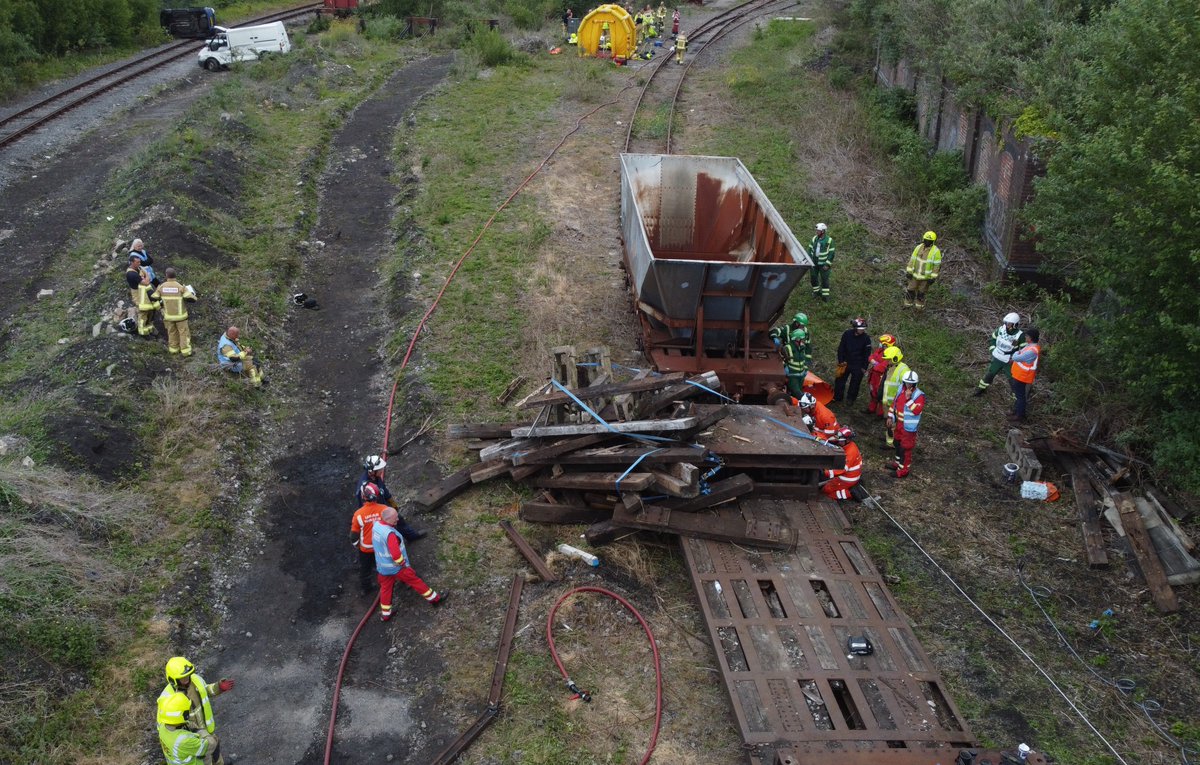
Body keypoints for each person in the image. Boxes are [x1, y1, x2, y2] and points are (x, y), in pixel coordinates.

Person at [374, 507, 445, 621]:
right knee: (415, 581)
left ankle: (386, 614)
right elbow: (396, 555)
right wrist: (404, 565)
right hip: (397, 568)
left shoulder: (377, 526)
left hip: (383, 567)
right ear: (387, 520)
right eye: (395, 518)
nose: (397, 519)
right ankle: (435, 599)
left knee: (385, 589)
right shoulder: (390, 534)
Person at [158, 656, 233, 738]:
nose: (186, 679)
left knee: (213, 747)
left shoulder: (195, 680)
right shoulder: (167, 697)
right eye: (182, 678)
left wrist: (218, 687)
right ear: (173, 680)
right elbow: (162, 724)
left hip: (205, 730)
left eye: (187, 676)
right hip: (189, 737)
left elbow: (205, 691)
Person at [356, 455, 426, 541]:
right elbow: (365, 508)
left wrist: (391, 501)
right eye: (380, 469)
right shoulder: (364, 489)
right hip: (376, 513)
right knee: (387, 530)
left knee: (398, 519)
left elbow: (383, 489)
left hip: (383, 506)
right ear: (372, 471)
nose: (382, 471)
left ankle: (411, 536)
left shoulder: (376, 477)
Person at [158, 692, 223, 765]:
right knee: (214, 739)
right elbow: (211, 744)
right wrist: (200, 731)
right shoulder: (184, 741)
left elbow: (188, 724)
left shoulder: (162, 727)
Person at [350, 482, 390, 594]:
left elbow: (354, 536)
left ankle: (366, 589)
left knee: (365, 569)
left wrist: (358, 545)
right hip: (382, 546)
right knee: (389, 563)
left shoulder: (358, 514)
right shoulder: (384, 509)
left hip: (366, 549)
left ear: (363, 497)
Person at [974, 312, 1026, 397]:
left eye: (1009, 323)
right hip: (997, 357)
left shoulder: (1020, 335)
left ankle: (1016, 397)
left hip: (1009, 360)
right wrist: (992, 349)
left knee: (1012, 379)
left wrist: (1014, 359)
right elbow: (993, 339)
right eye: (1006, 323)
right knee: (989, 374)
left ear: (1015, 325)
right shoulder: (1001, 329)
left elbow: (1023, 350)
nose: (1006, 325)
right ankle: (980, 390)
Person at [152, 268, 197, 356]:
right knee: (184, 333)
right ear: (175, 275)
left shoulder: (161, 287)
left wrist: (160, 305)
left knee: (171, 332)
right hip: (181, 317)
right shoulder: (180, 287)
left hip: (168, 316)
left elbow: (153, 297)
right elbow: (192, 299)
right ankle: (186, 352)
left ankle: (174, 350)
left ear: (166, 275)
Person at [889, 370, 925, 477]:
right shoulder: (901, 388)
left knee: (905, 448)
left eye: (911, 383)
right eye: (906, 383)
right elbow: (894, 403)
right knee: (897, 443)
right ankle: (897, 463)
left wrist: (908, 399)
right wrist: (891, 416)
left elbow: (916, 410)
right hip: (899, 424)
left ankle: (903, 470)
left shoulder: (919, 395)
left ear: (915, 384)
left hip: (909, 427)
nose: (908, 385)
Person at [833, 317, 872, 404]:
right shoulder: (847, 334)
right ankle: (837, 397)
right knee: (840, 380)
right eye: (860, 329)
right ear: (855, 328)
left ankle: (850, 399)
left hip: (858, 364)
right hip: (845, 362)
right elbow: (841, 348)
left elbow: (867, 354)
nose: (862, 330)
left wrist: (864, 367)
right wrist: (841, 360)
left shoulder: (866, 339)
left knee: (855, 383)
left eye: (863, 329)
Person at [1008, 327, 1040, 422]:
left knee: (1021, 396)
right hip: (1019, 375)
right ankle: (1016, 411)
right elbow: (1019, 353)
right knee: (1019, 395)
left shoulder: (1032, 350)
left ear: (1031, 338)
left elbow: (1017, 356)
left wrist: (1015, 355)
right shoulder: (1030, 346)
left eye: (1027, 336)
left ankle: (1019, 415)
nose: (1025, 337)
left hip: (1023, 376)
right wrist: (1018, 353)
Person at [821, 426, 862, 501]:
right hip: (851, 474)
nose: (839, 442)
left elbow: (842, 469)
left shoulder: (850, 452)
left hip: (848, 478)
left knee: (826, 491)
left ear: (847, 440)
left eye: (841, 441)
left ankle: (849, 493)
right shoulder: (848, 445)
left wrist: (826, 472)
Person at [904, 231, 942, 309]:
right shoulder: (918, 247)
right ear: (923, 239)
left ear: (933, 242)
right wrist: (909, 271)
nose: (927, 242)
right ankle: (907, 305)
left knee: (921, 294)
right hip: (914, 275)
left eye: (929, 241)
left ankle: (919, 309)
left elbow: (936, 266)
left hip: (925, 278)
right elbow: (912, 259)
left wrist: (933, 277)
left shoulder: (936, 251)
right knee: (910, 290)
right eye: (926, 240)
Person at [881, 346, 910, 443]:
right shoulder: (891, 367)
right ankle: (888, 438)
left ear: (895, 358)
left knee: (893, 424)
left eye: (888, 359)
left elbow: (907, 389)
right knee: (888, 423)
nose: (887, 361)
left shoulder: (904, 370)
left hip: (895, 404)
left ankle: (891, 443)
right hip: (888, 402)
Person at [126, 256, 161, 336]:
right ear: (132, 262)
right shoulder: (131, 274)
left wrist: (146, 277)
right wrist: (147, 277)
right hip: (139, 296)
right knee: (143, 312)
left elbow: (147, 279)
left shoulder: (139, 268)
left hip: (144, 294)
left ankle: (150, 329)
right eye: (137, 262)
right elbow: (146, 282)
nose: (139, 263)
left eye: (139, 262)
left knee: (151, 311)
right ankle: (142, 332)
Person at [865, 333, 897, 416]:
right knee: (873, 392)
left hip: (881, 378)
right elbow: (871, 357)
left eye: (882, 343)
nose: (880, 344)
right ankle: (871, 409)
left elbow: (882, 367)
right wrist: (874, 362)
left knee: (880, 395)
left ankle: (880, 413)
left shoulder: (891, 354)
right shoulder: (880, 350)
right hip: (874, 376)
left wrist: (874, 363)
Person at [781, 328, 811, 399]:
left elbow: (804, 359)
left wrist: (805, 369)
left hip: (801, 376)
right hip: (792, 375)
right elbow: (781, 360)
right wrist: (785, 369)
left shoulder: (802, 347)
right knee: (797, 393)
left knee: (797, 393)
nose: (803, 341)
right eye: (802, 339)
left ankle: (796, 405)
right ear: (797, 339)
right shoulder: (787, 348)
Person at [810, 223, 836, 301]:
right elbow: (810, 249)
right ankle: (816, 292)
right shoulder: (814, 238)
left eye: (818, 231)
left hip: (823, 264)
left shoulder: (829, 240)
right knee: (813, 277)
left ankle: (825, 296)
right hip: (814, 263)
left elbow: (831, 253)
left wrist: (827, 264)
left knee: (824, 279)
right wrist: (809, 260)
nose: (816, 232)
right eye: (817, 230)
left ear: (823, 231)